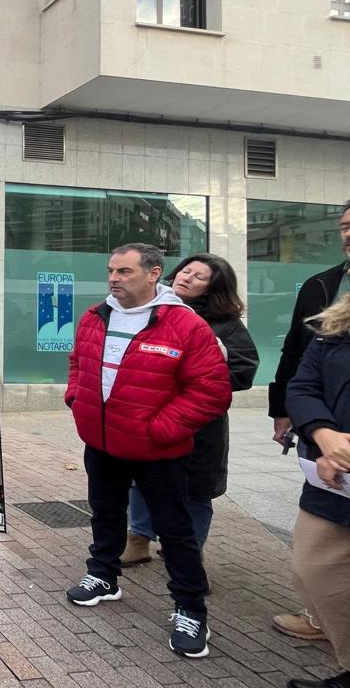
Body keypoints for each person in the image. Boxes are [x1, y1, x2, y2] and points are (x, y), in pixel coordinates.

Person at [64, 243, 231, 658]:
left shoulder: (185, 325)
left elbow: (211, 391)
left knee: (175, 532)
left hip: (159, 452)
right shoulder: (94, 316)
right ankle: (103, 576)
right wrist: (76, 399)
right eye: (111, 271)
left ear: (154, 273)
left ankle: (190, 608)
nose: (113, 279)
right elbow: (78, 364)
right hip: (101, 444)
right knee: (105, 513)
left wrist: (159, 429)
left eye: (124, 272)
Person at [121, 253, 259, 565]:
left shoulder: (226, 325)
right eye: (186, 270)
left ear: (214, 288)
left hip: (199, 424)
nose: (186, 277)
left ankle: (187, 554)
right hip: (147, 416)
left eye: (199, 277)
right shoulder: (148, 309)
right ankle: (138, 539)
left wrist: (201, 365)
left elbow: (243, 371)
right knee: (141, 479)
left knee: (196, 490)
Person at [267, 200, 350, 641]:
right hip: (325, 440)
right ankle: (324, 619)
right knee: (316, 559)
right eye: (344, 227)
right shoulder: (325, 290)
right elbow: (297, 360)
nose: (349, 234)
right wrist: (306, 423)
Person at [282, 295, 350, 688]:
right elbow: (303, 386)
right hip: (334, 481)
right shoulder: (333, 328)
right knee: (315, 572)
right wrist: (324, 436)